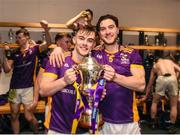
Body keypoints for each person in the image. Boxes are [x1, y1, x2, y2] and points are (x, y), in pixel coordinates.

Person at [49, 14, 146, 134]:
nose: (107, 32)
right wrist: (57, 49)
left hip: (128, 121)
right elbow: (77, 46)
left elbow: (141, 84)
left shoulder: (132, 54)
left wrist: (116, 77)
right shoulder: (92, 53)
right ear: (99, 34)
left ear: (117, 30)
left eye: (111, 27)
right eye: (103, 29)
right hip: (100, 122)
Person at [39, 26, 97, 134]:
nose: (85, 43)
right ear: (74, 39)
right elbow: (43, 90)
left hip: (84, 128)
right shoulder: (58, 59)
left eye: (90, 41)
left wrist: (99, 93)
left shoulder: (94, 65)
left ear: (93, 45)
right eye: (81, 38)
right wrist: (64, 81)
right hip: (58, 128)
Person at [2, 28, 49, 134]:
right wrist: (3, 56)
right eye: (16, 38)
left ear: (27, 37)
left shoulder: (34, 49)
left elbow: (48, 43)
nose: (17, 39)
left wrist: (46, 29)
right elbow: (6, 70)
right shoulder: (15, 53)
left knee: (28, 116)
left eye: (20, 37)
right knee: (14, 115)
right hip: (14, 88)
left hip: (28, 88)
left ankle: (36, 132)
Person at [142, 54, 180, 134]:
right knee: (174, 105)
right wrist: (175, 78)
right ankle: (172, 127)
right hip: (172, 78)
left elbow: (150, 83)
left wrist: (146, 96)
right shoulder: (170, 62)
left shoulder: (155, 65)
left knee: (155, 102)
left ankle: (153, 123)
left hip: (161, 78)